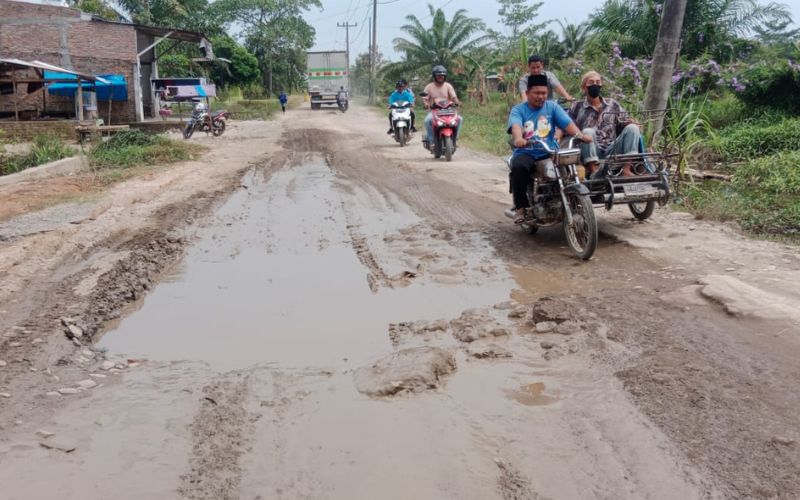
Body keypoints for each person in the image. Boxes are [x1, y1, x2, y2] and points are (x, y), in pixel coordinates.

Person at [508, 74, 591, 223]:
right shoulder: (518, 110)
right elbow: (516, 126)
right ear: (527, 93)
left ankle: (567, 199)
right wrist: (519, 139)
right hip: (527, 151)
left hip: (549, 151)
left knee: (568, 168)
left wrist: (581, 135)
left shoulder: (552, 106)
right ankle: (520, 208)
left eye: (544, 93)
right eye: (537, 93)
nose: (541, 96)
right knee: (518, 167)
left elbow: (567, 124)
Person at [567, 70, 642, 177]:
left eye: (598, 82)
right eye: (591, 82)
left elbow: (625, 121)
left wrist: (634, 123)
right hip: (590, 149)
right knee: (588, 131)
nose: (595, 85)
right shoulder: (577, 106)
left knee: (633, 128)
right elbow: (566, 124)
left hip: (611, 149)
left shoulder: (612, 104)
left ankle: (626, 169)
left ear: (601, 85)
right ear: (584, 86)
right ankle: (594, 171)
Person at [422, 65, 461, 147]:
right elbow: (425, 99)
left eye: (443, 75)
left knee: (459, 119)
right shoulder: (429, 87)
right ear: (434, 76)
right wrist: (426, 104)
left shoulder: (448, 86)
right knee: (427, 121)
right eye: (439, 75)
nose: (441, 77)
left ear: (445, 76)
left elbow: (454, 97)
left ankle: (455, 139)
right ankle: (432, 141)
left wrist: (457, 102)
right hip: (434, 110)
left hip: (448, 110)